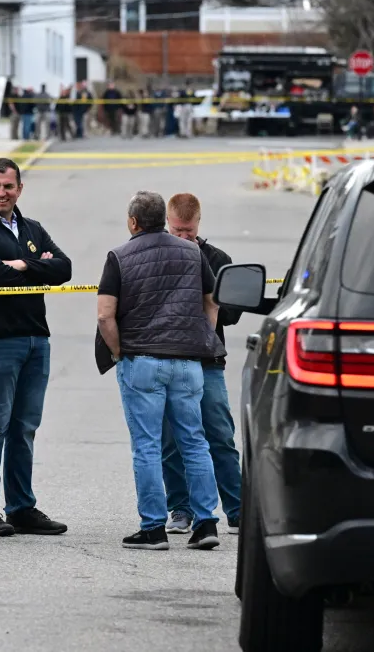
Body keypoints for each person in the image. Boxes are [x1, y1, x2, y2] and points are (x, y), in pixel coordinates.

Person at [96, 190, 224, 551]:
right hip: (187, 362)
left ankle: (153, 528)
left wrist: (119, 351)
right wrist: (202, 338)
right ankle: (206, 524)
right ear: (162, 219)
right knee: (195, 442)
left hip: (142, 362)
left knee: (148, 447)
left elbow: (106, 314)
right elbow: (211, 301)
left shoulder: (119, 257)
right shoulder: (192, 252)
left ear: (133, 222)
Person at [0, 157, 72, 537]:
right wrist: (35, 263)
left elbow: (64, 268)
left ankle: (21, 506)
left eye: (8, 186)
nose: (1, 193)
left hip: (36, 338)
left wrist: (22, 264)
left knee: (25, 427)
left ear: (20, 188)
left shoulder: (32, 227)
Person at [162, 193, 243, 535]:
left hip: (208, 359)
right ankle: (180, 509)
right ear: (167, 223)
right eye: (177, 231)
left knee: (220, 435)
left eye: (189, 232)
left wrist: (206, 284)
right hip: (167, 357)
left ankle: (237, 509)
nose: (182, 238)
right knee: (171, 439)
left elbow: (234, 313)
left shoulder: (217, 258)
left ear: (198, 225)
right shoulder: (154, 255)